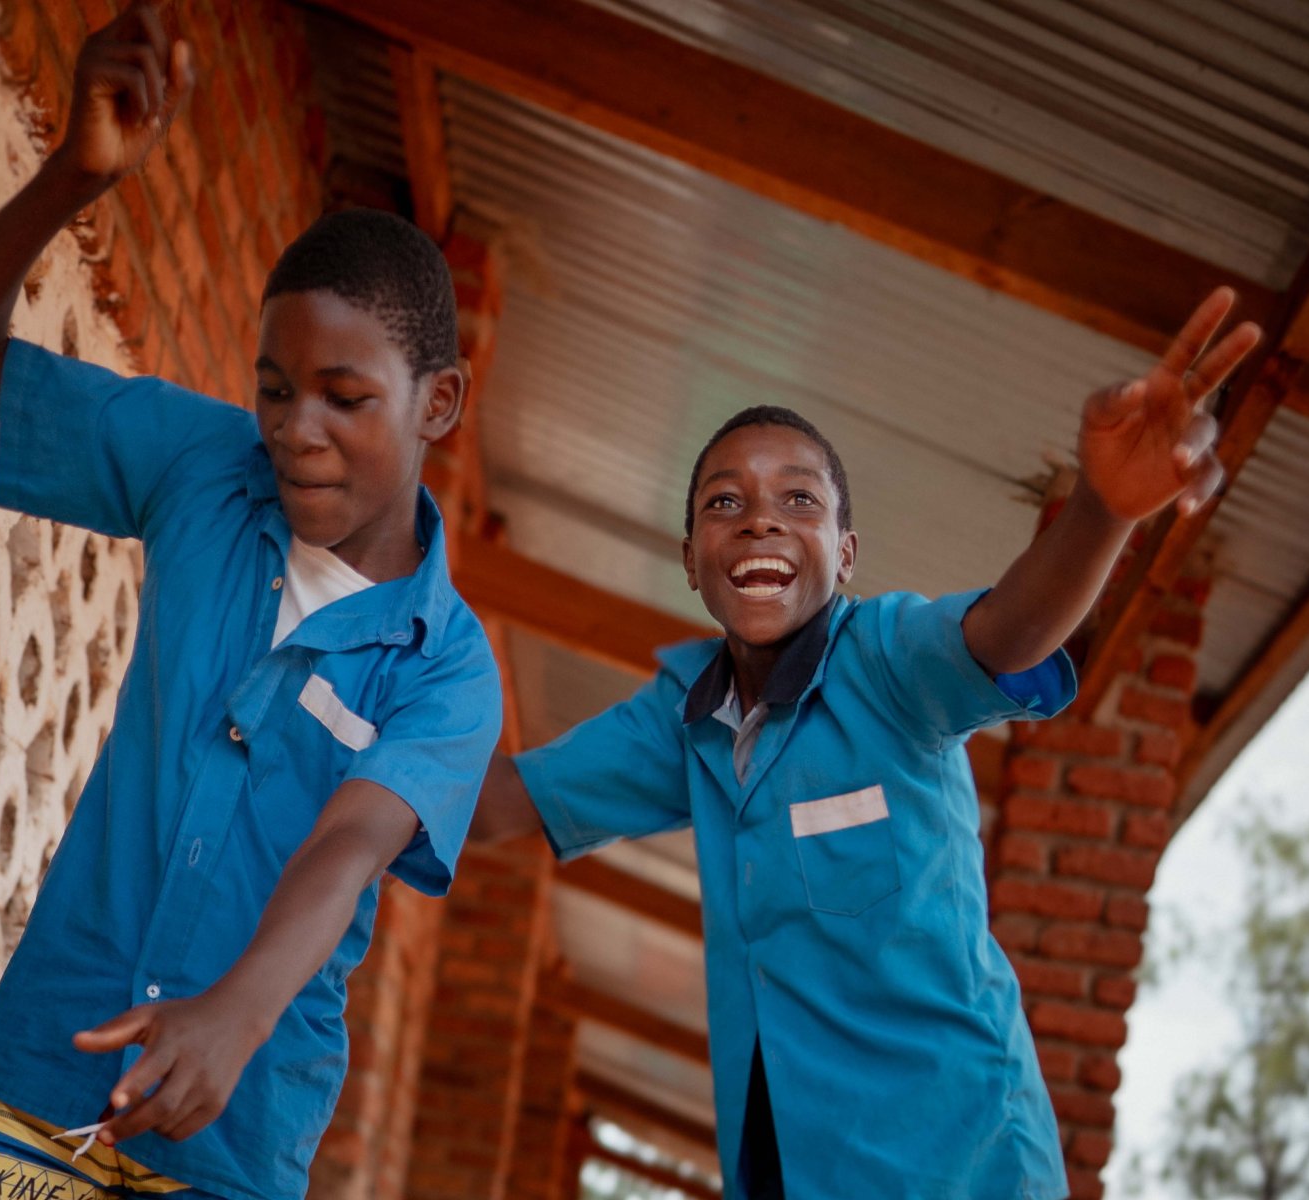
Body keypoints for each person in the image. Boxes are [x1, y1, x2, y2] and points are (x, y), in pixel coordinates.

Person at [0, 6, 501, 1197]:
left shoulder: (449, 667)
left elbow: (350, 841)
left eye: (343, 397)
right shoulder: (202, 466)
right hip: (52, 1072)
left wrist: (236, 1013)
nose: (295, 431)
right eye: (275, 389)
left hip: (230, 1141)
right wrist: (73, 173)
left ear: (437, 404)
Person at [469, 291, 1261, 1199]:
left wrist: (1103, 511)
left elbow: (1005, 633)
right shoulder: (681, 718)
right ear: (691, 560)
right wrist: (322, 778)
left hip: (960, 1170)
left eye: (797, 500)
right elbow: (503, 801)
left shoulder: (887, 661)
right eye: (725, 502)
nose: (760, 518)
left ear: (845, 555)